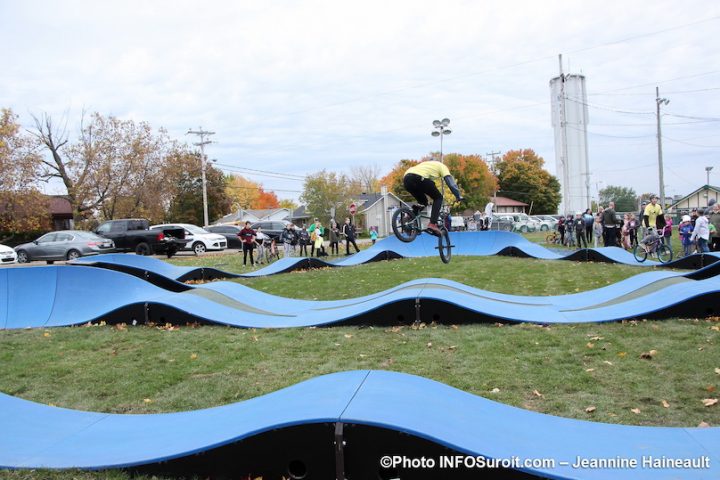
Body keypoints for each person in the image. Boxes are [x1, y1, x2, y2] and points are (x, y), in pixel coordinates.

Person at [402, 160, 463, 235]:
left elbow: (428, 184)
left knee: (423, 202)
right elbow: (450, 183)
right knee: (438, 198)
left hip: (406, 180)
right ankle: (432, 224)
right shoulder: (443, 166)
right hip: (418, 177)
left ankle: (409, 217)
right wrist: (458, 195)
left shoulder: (425, 165)